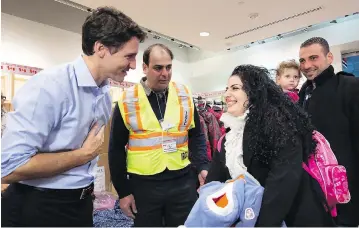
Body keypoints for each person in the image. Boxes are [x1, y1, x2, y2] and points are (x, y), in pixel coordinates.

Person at [1, 7, 146, 227]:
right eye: (129, 56)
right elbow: (9, 166)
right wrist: (81, 155)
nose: (134, 65)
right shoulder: (49, 87)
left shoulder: (105, 94)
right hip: (38, 208)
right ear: (100, 48)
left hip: (80, 205)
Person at [205, 64, 335, 226]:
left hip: (292, 217)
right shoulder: (228, 139)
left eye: (235, 88)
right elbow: (214, 183)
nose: (227, 94)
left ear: (253, 93)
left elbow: (282, 185)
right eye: (227, 88)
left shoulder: (279, 128)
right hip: (251, 217)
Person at [108, 43, 209, 227]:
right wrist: (123, 192)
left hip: (182, 182)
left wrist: (202, 164)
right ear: (145, 67)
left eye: (169, 67)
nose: (165, 73)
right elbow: (115, 149)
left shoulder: (184, 95)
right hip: (144, 186)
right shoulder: (127, 100)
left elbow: (197, 135)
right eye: (158, 68)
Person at [298, 37, 359, 226]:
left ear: (329, 57)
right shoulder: (303, 93)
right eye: (302, 60)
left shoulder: (350, 87)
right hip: (315, 190)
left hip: (346, 190)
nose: (307, 65)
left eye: (313, 58)